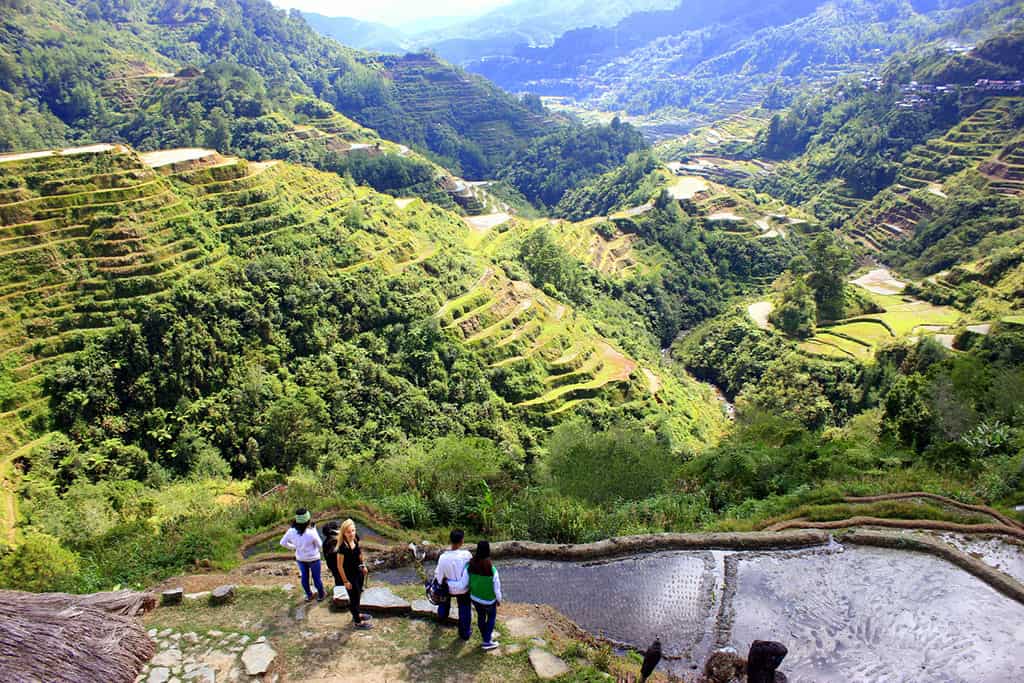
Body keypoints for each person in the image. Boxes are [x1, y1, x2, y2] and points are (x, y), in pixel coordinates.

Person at [280, 508, 325, 603]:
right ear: (308, 520)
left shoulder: (291, 531)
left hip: (301, 558)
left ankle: (309, 595)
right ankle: (321, 595)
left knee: (304, 577)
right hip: (313, 559)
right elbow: (320, 545)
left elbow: (282, 543)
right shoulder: (311, 532)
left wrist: (294, 547)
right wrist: (314, 530)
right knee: (316, 578)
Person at [435, 528, 472, 640]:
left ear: (450, 540)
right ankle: (464, 633)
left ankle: (442, 618)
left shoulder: (443, 557)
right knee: (465, 608)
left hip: (448, 588)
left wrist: (442, 582)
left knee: (444, 602)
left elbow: (439, 575)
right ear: (462, 541)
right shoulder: (467, 555)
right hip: (463, 589)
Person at [336, 518, 373, 629]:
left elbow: (359, 554)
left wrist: (363, 565)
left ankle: (357, 613)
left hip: (358, 572)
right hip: (349, 576)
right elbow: (339, 566)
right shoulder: (342, 547)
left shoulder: (355, 539)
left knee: (358, 594)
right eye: (348, 532)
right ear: (344, 533)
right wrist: (345, 581)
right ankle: (357, 622)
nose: (351, 534)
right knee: (353, 598)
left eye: (353, 530)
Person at [468, 540, 502, 651]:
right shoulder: (492, 569)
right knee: (491, 617)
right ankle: (487, 641)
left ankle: (485, 636)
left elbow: (467, 581)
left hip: (475, 598)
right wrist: (499, 599)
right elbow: (496, 588)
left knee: (481, 616)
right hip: (488, 601)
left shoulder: (471, 565)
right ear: (488, 551)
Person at [321, 520, 342, 588]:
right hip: (339, 566)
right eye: (338, 528)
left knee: (338, 580)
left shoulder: (325, 542)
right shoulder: (334, 541)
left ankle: (340, 594)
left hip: (333, 566)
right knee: (342, 580)